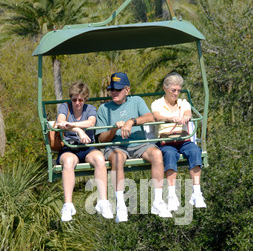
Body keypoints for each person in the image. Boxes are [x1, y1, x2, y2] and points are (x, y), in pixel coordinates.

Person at [96, 72, 172, 223]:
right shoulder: (104, 108)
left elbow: (150, 117)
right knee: (117, 158)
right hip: (116, 146)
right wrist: (113, 129)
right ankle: (121, 206)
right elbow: (101, 139)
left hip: (139, 145)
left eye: (118, 89)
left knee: (157, 154)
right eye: (112, 89)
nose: (114, 93)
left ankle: (157, 201)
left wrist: (131, 121)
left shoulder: (136, 101)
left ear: (127, 90)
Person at [55, 81, 113, 222]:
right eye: (74, 99)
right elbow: (60, 123)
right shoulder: (65, 107)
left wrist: (72, 126)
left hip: (87, 148)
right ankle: (68, 205)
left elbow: (91, 123)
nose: (77, 103)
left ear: (85, 99)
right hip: (70, 147)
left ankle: (103, 202)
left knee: (100, 159)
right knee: (68, 162)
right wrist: (79, 131)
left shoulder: (90, 109)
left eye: (80, 100)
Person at [151, 73, 206, 212]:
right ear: (165, 89)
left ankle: (197, 192)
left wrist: (185, 117)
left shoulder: (183, 103)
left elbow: (188, 112)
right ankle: (171, 195)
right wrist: (171, 119)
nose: (176, 94)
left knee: (194, 151)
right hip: (166, 140)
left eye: (178, 90)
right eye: (173, 90)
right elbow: (157, 116)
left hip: (183, 139)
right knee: (169, 154)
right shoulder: (157, 103)